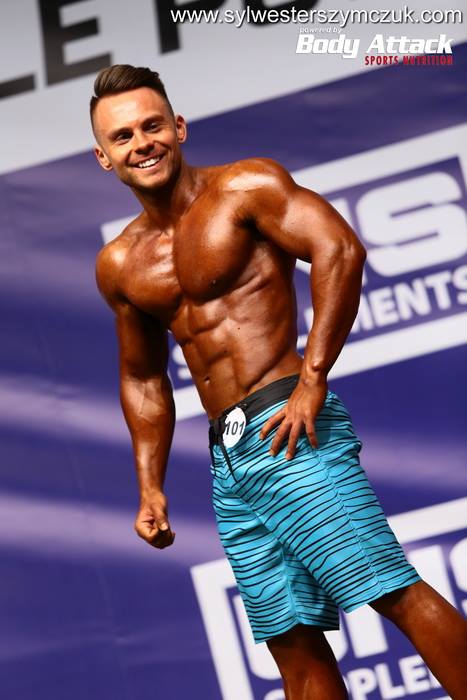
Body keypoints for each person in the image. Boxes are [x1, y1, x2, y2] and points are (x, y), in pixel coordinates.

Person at [91, 64, 466, 699]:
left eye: (152, 126)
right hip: (230, 461)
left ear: (178, 127)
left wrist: (313, 377)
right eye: (122, 136)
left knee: (389, 589)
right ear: (104, 156)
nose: (142, 143)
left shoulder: (245, 188)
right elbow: (143, 376)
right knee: (291, 645)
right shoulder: (121, 262)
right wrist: (149, 486)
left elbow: (338, 249)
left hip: (290, 430)